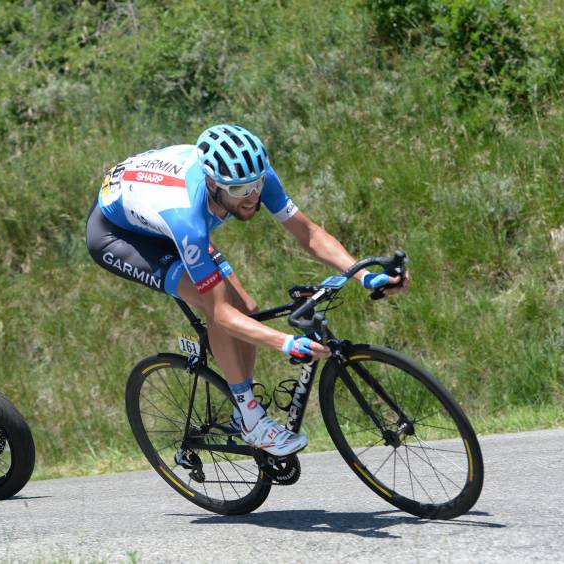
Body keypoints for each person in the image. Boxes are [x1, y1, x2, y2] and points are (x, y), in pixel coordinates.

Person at [86, 124, 409, 457]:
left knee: (248, 308)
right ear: (213, 183)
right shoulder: (188, 220)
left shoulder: (253, 176)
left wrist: (365, 276)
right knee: (216, 307)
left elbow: (309, 234)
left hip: (152, 202)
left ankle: (243, 402)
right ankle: (251, 418)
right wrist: (285, 343)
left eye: (256, 185)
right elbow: (221, 313)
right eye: (240, 189)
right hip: (119, 236)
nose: (252, 196)